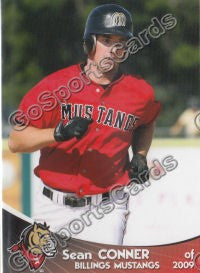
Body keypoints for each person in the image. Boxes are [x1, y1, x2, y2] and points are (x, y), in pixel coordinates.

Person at [8, 4, 161, 245]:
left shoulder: (140, 92)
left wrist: (140, 155)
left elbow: (146, 123)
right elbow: (16, 141)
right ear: (89, 43)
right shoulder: (55, 87)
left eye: (121, 41)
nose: (114, 48)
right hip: (52, 207)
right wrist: (57, 133)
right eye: (106, 40)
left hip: (107, 209)